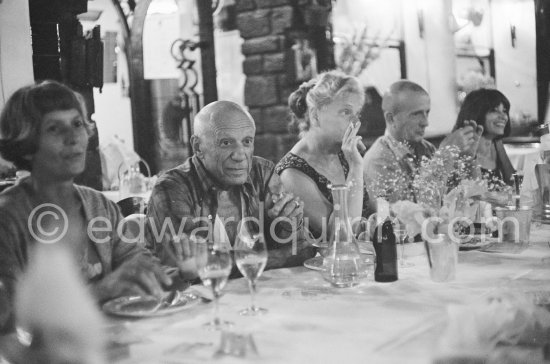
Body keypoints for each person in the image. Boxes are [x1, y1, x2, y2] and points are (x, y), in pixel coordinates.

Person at [0, 81, 171, 333]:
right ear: (26, 145)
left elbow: (135, 261)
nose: (73, 138)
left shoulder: (99, 204)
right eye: (54, 128)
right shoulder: (8, 218)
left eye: (77, 124)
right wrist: (102, 290)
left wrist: (169, 265)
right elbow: (10, 318)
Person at [146, 100, 316, 277]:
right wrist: (274, 258)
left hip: (257, 296)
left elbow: (303, 250)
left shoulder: (262, 173)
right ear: (198, 147)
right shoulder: (172, 188)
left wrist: (287, 227)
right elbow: (196, 269)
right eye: (226, 143)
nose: (239, 155)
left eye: (247, 141)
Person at [362, 80, 482, 210]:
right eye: (416, 114)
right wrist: (443, 158)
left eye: (427, 113)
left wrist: (469, 161)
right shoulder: (379, 160)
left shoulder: (426, 149)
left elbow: (465, 206)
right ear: (391, 119)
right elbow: (407, 221)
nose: (425, 122)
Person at [275, 70, 367, 238]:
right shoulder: (291, 173)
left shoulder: (346, 152)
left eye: (357, 114)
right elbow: (342, 236)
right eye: (346, 112)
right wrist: (356, 167)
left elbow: (375, 215)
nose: (355, 122)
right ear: (315, 115)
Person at [454, 88, 515, 190]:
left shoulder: (496, 144)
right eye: (494, 110)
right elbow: (474, 195)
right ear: (477, 112)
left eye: (504, 111)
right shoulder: (463, 147)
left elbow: (512, 182)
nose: (503, 116)